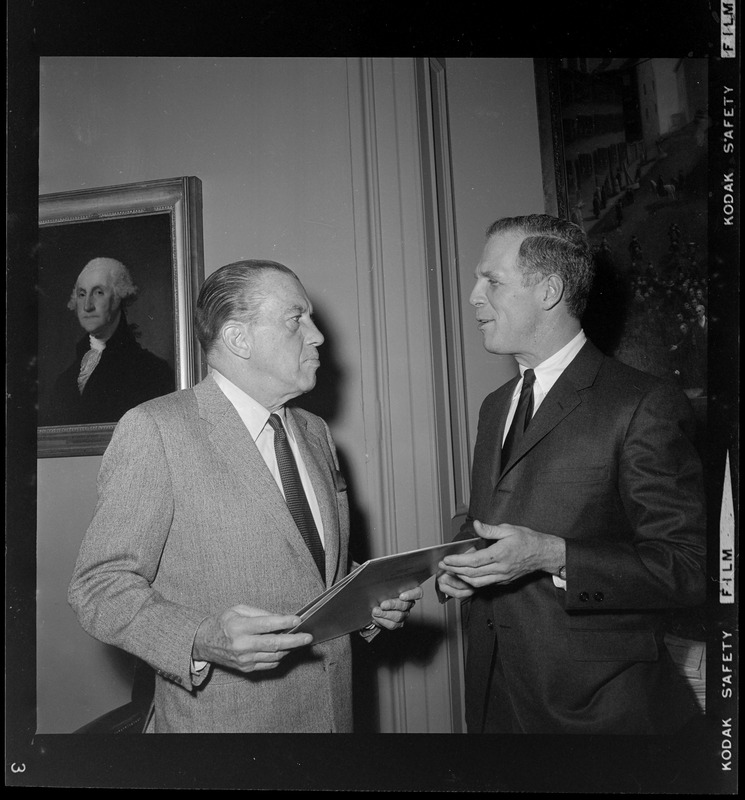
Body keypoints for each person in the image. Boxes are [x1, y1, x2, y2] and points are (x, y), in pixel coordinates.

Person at [68, 259, 422, 733]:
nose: (317, 336)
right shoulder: (157, 430)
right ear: (239, 339)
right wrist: (200, 638)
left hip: (334, 722)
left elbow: (307, 565)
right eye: (297, 319)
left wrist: (367, 598)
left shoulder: (314, 432)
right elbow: (98, 585)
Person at [437, 214, 706, 734]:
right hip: (494, 699)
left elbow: (687, 568)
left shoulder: (641, 404)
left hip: (600, 714)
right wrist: (461, 560)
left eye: (491, 281)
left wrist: (551, 555)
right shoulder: (496, 406)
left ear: (549, 290)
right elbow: (490, 518)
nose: (473, 296)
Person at [46, 257, 175, 425]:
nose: (87, 306)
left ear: (119, 296)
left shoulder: (154, 372)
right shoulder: (64, 382)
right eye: (82, 294)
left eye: (98, 292)